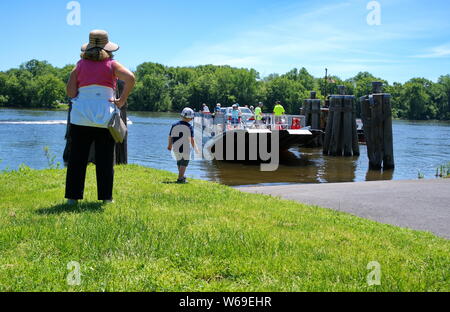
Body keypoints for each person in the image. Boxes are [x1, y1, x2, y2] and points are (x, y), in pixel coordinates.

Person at [65, 30, 135, 205]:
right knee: (105, 160)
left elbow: (70, 92)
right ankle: (106, 199)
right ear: (108, 47)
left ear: (88, 47)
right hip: (105, 118)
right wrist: (121, 100)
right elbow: (131, 78)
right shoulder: (112, 64)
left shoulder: (79, 65)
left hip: (80, 118)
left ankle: (73, 199)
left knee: (77, 160)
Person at [167, 108, 197, 184]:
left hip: (176, 147)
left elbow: (170, 136)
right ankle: (180, 178)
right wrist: (196, 148)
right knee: (184, 163)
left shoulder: (174, 125)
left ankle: (182, 176)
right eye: (192, 117)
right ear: (189, 117)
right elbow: (192, 139)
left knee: (179, 162)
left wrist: (169, 145)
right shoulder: (189, 127)